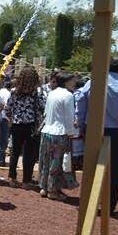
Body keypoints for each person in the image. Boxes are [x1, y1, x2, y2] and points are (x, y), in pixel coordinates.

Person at [77, 58, 118, 215]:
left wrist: (80, 121)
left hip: (93, 128)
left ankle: (87, 202)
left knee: (90, 165)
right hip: (116, 131)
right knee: (111, 170)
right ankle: (109, 205)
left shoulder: (93, 82)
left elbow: (80, 99)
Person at [38, 72, 79, 200]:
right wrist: (71, 132)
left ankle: (44, 187)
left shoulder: (52, 93)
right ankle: (53, 190)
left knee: (45, 161)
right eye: (72, 81)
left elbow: (45, 112)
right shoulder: (68, 95)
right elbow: (69, 116)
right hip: (60, 132)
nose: (74, 83)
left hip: (47, 130)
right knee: (57, 162)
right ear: (66, 82)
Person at [5, 67, 45, 189]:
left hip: (17, 125)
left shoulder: (14, 91)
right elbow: (43, 108)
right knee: (29, 154)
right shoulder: (37, 93)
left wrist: (12, 119)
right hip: (31, 125)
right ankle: (26, 181)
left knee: (15, 152)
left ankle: (12, 178)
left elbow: (8, 109)